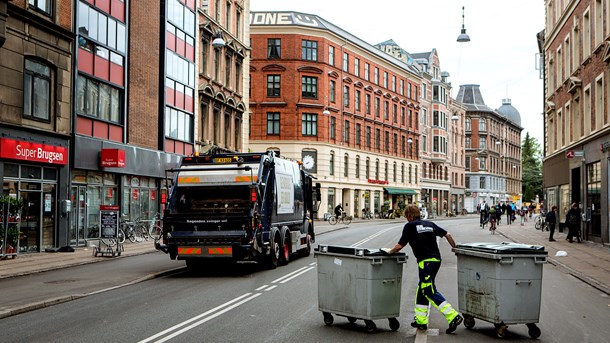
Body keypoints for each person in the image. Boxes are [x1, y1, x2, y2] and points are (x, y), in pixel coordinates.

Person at [385, 205, 463, 334]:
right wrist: (455, 248)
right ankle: (421, 321)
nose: (405, 218)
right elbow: (447, 234)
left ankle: (453, 316)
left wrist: (389, 252)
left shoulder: (409, 226)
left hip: (426, 263)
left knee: (428, 290)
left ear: (409, 215)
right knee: (422, 290)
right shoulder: (429, 224)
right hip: (436, 261)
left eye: (405, 215)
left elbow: (399, 246)